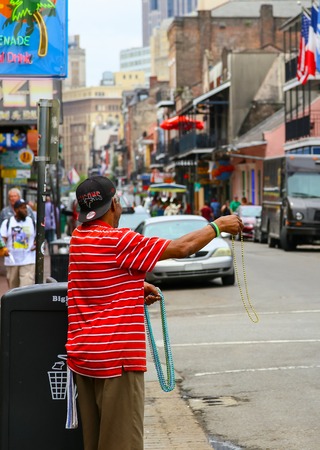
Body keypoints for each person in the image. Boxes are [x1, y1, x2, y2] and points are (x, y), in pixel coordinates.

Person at [66, 175, 243, 450]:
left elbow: (95, 285)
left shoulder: (79, 238)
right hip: (117, 362)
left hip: (86, 358)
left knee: (96, 443)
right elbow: (182, 248)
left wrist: (133, 287)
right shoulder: (118, 241)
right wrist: (217, 226)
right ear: (114, 204)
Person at [0, 199, 36, 289]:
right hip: (12, 261)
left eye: (26, 207)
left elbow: (38, 237)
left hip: (28, 259)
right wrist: (3, 248)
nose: (25, 210)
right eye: (22, 208)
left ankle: (25, 303)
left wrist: (36, 244)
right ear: (16, 210)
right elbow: (2, 238)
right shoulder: (7, 223)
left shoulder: (32, 222)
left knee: (25, 288)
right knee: (13, 289)